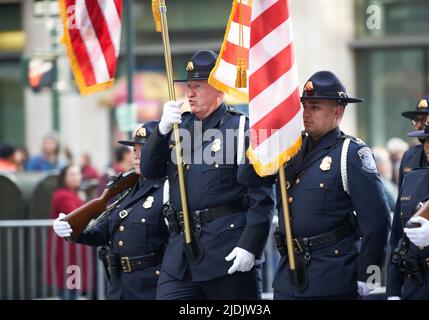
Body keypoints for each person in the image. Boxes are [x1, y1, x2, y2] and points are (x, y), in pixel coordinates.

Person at [141, 50, 276, 300]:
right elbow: (149, 172)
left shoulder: (242, 129)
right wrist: (160, 131)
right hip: (181, 254)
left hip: (226, 249)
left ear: (220, 90)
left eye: (199, 87)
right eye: (188, 86)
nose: (190, 93)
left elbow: (262, 197)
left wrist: (250, 246)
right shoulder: (179, 127)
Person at [272, 71, 390, 300]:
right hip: (288, 277)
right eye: (304, 106)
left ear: (337, 111)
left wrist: (369, 275)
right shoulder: (290, 152)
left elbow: (378, 221)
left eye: (315, 107)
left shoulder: (350, 154)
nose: (306, 113)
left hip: (332, 278)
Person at [53, 122, 169, 300]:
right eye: (134, 151)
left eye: (144, 150)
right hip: (119, 286)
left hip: (151, 287)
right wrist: (72, 231)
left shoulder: (169, 189)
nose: (137, 156)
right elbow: (103, 232)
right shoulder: (129, 189)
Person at [387, 100, 429, 300]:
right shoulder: (413, 179)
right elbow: (397, 238)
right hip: (413, 287)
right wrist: (393, 291)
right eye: (426, 138)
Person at [47, 164, 95, 299]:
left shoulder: (73, 194)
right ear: (63, 178)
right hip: (67, 250)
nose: (76, 177)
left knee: (72, 286)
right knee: (70, 286)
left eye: (78, 174)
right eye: (72, 174)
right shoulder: (62, 195)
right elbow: (75, 216)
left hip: (73, 248)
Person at [398, 94, 429, 187]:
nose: (418, 126)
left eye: (424, 120)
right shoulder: (409, 156)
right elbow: (402, 198)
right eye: (416, 120)